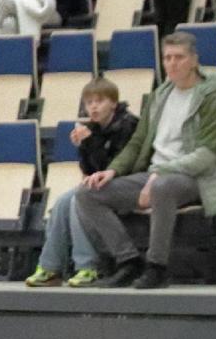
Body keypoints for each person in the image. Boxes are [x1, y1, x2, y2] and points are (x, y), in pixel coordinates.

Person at [71, 30, 216, 289]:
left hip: (198, 177)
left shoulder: (211, 97)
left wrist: (161, 172)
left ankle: (156, 266)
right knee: (87, 193)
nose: (172, 63)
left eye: (179, 57)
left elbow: (205, 157)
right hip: (155, 174)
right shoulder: (160, 96)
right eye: (167, 58)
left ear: (194, 61)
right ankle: (128, 261)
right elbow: (138, 142)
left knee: (162, 187)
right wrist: (112, 171)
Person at [28, 79, 136, 287]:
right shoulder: (92, 128)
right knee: (62, 202)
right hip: (101, 186)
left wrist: (90, 143)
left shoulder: (128, 125)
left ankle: (87, 267)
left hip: (125, 184)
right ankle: (50, 267)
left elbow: (117, 166)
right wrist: (83, 147)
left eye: (99, 101)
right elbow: (89, 170)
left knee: (79, 199)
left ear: (113, 103)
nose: (93, 107)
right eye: (89, 103)